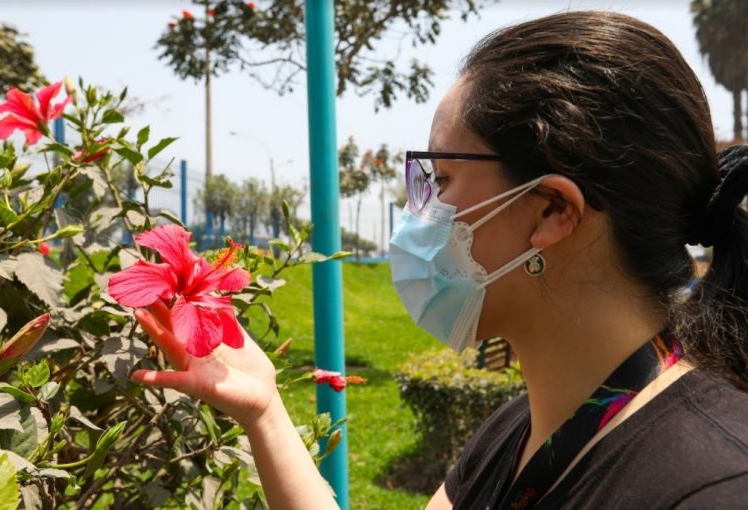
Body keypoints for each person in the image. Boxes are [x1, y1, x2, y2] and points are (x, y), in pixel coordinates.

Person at [131, 11, 748, 510]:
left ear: (552, 211)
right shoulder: (517, 433)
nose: (418, 212)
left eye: (441, 179)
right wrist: (265, 413)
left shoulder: (712, 485)